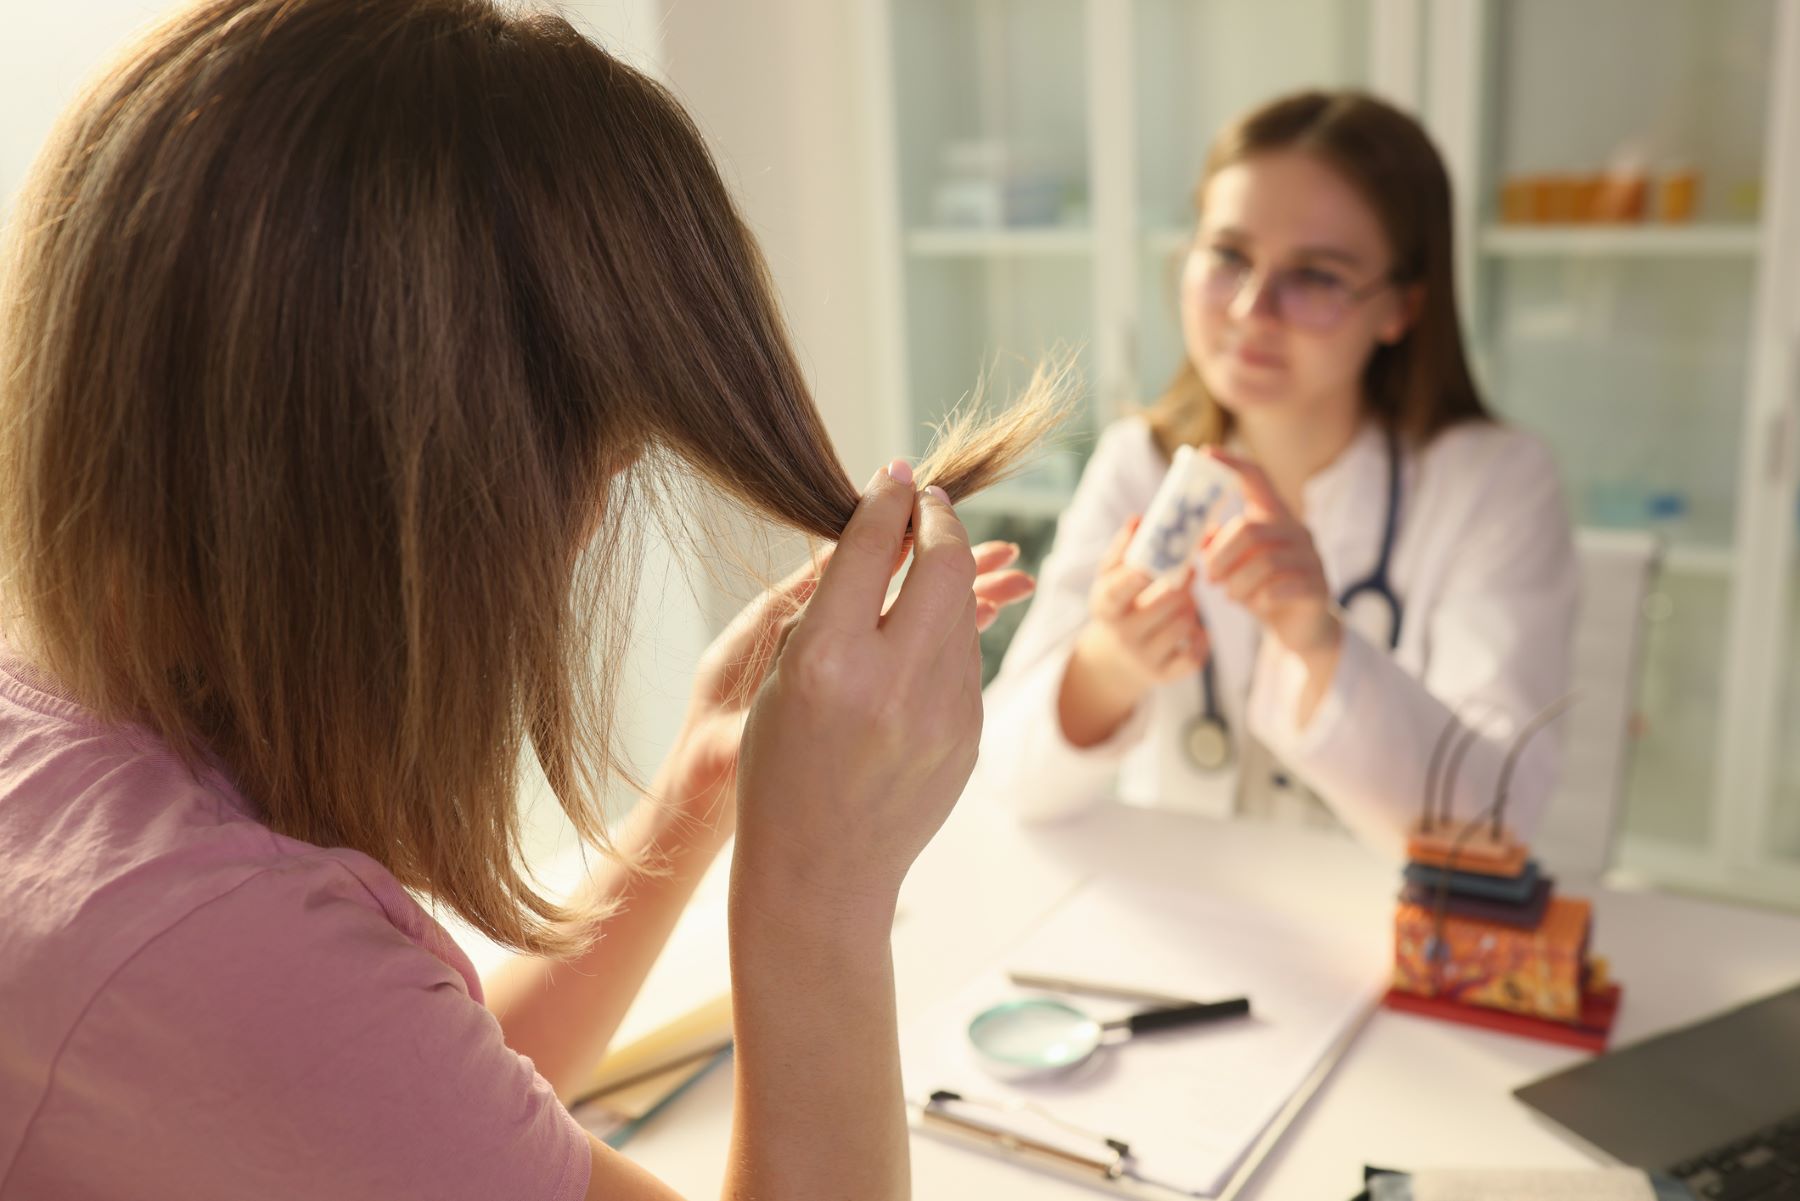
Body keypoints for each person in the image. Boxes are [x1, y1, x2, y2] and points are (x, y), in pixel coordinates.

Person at [0, 2, 1049, 1198]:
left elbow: (419, 1114)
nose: (588, 534)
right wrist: (821, 899)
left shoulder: (71, 774)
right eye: (601, 477)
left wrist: (697, 788)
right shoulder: (220, 948)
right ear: (418, 505)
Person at [979, 90, 1578, 858]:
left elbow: (1495, 820)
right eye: (1228, 257)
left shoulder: (1494, 482)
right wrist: (1108, 665)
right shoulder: (1142, 462)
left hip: (1390, 937)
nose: (1254, 308)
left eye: (1318, 276)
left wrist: (1320, 643)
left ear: (1400, 308)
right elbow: (1009, 779)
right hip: (1181, 923)